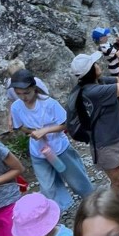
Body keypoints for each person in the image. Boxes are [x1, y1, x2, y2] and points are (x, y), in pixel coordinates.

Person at [9, 69, 93, 211]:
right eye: (19, 94)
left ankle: (93, 201)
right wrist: (32, 132)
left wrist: (45, 130)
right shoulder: (16, 107)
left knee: (76, 179)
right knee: (47, 187)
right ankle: (57, 211)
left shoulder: (49, 103)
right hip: (38, 151)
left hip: (59, 148)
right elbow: (20, 126)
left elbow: (66, 124)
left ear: (35, 89)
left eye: (27, 93)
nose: (23, 97)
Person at [71, 48, 119, 214]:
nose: (97, 64)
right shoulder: (93, 92)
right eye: (94, 64)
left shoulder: (99, 82)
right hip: (106, 145)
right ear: (90, 71)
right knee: (117, 182)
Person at [92, 28, 119, 109]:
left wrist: (117, 42)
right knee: (118, 85)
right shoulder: (103, 48)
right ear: (101, 38)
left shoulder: (106, 44)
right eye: (105, 35)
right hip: (115, 68)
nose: (107, 36)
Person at [4, 59, 49, 132]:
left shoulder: (36, 82)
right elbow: (11, 100)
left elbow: (45, 99)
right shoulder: (10, 84)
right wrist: (10, 117)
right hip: (26, 116)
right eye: (14, 77)